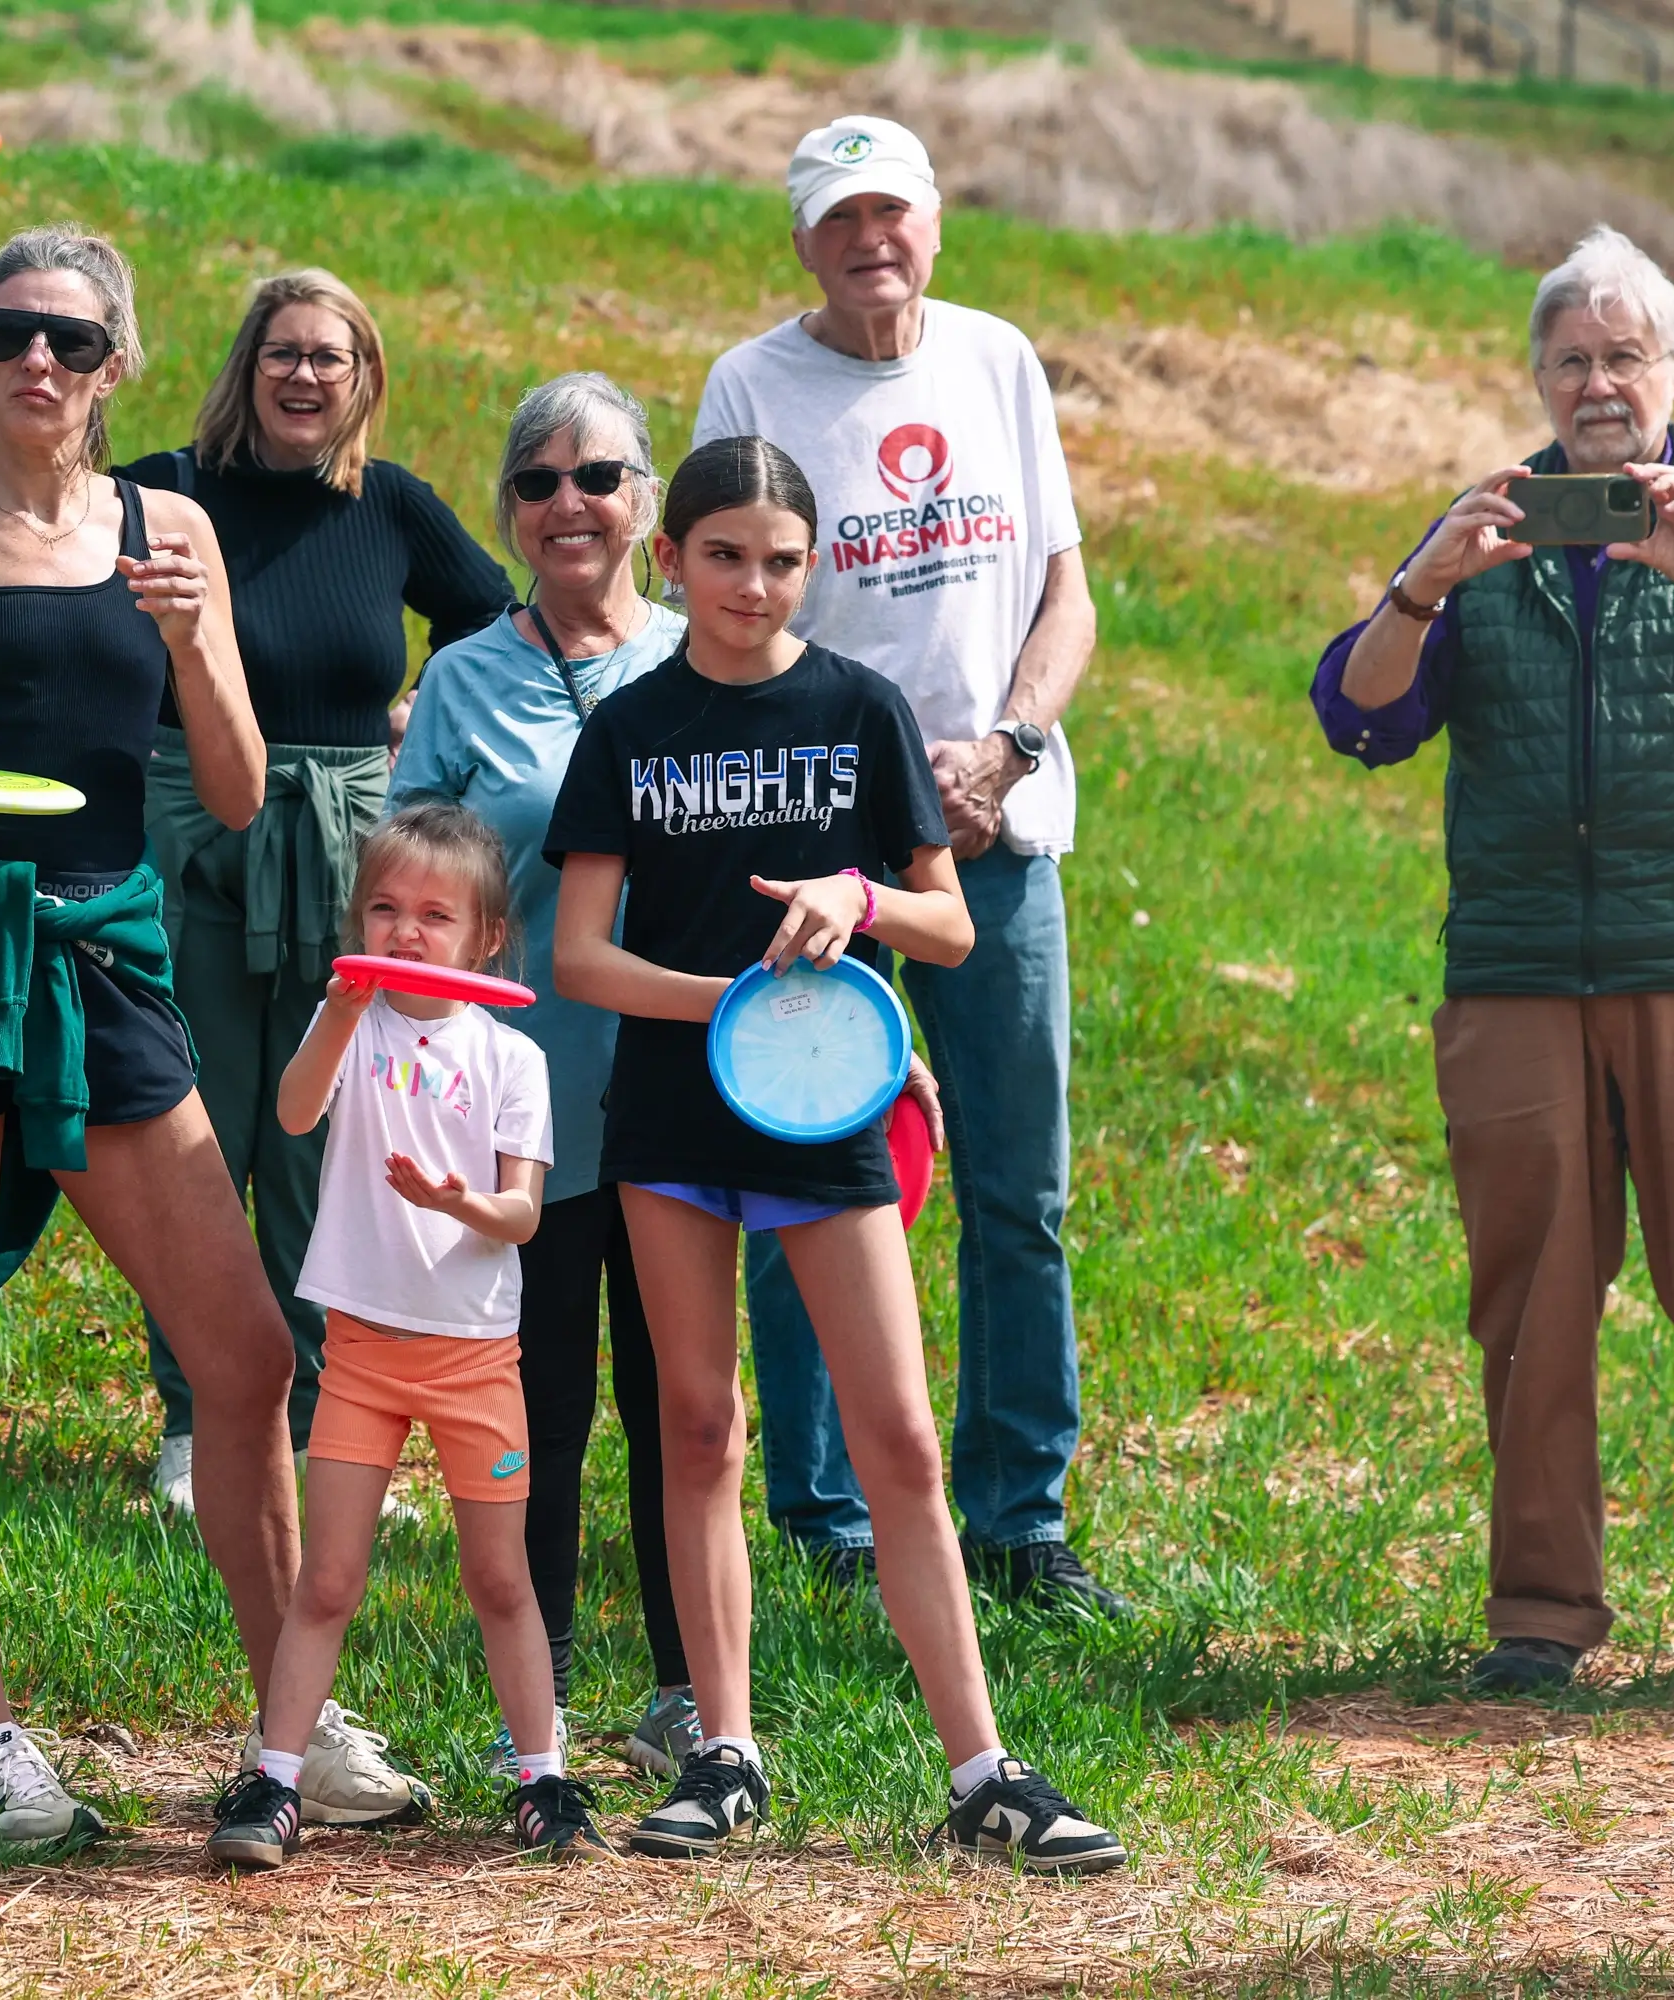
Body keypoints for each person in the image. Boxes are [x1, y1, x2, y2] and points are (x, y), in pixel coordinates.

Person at [0, 227, 412, 1844]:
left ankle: (290, 1716)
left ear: (116, 366)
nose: (33, 364)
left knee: (247, 1351)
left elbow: (246, 792)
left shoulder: (168, 530)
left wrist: (197, 637)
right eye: (3, 336)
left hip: (106, 962)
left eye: (66, 339)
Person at [547, 436, 1124, 1872]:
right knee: (698, 1426)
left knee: (903, 1444)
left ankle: (985, 1768)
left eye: (783, 559)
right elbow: (579, 955)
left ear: (820, 566)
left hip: (831, 1116)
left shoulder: (860, 709)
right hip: (673, 1122)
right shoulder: (629, 729)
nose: (754, 584)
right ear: (668, 561)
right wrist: (729, 1007)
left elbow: (952, 924)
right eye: (725, 556)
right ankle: (726, 1752)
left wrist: (855, 895)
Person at [1313, 225, 1674, 1705]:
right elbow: (1358, 716)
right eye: (1571, 359)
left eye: (1623, 357)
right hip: (1521, 974)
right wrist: (1425, 585)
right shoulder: (1485, 526)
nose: (1598, 384)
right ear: (1537, 375)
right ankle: (1539, 1616)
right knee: (1528, 1304)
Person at [693, 115, 1117, 1614]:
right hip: (824, 852)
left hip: (997, 833)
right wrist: (875, 796)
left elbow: (1064, 592)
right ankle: (822, 1517)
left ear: (935, 221)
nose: (872, 241)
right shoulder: (753, 385)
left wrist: (1004, 747)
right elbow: (737, 608)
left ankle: (1021, 1516)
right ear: (802, 240)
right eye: (839, 220)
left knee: (1019, 1183)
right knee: (811, 1171)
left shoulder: (998, 360)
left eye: (895, 214)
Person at [122, 270, 511, 1513]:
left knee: (328, 1141)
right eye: (282, 353)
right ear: (247, 365)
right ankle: (197, 1424)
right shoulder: (166, 492)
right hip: (192, 832)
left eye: (330, 359)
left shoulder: (387, 504)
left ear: (364, 378)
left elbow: (489, 612)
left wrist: (409, 714)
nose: (303, 377)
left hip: (346, 847)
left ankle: (323, 1412)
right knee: (198, 1137)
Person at [393, 372, 704, 1780]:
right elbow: (413, 888)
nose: (569, 503)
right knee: (542, 1391)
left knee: (680, 1395)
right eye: (537, 482)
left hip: (691, 1084)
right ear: (510, 513)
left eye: (599, 476)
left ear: (649, 497)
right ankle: (548, 1680)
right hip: (527, 1091)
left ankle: (696, 1686)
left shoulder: (715, 656)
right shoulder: (464, 677)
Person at [207, 802, 606, 1868]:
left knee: (501, 1579)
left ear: (485, 937)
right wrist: (338, 1012)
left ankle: (542, 1775)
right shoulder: (358, 1025)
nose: (405, 930)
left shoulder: (512, 1056)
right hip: (364, 1351)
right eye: (383, 907)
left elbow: (522, 1213)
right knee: (327, 1579)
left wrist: (453, 1199)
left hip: (478, 1355)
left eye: (435, 913)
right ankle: (277, 1775)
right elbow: (294, 1113)